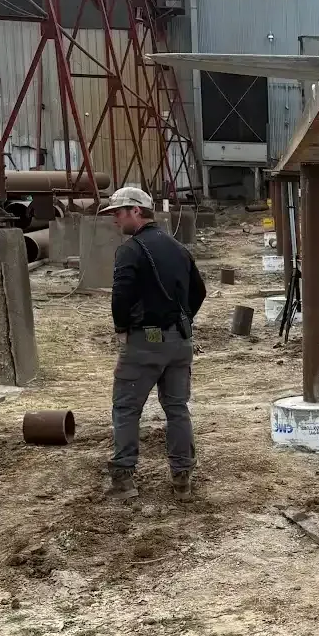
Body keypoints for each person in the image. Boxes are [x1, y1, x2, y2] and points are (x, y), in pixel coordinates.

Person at [104, 186, 207, 501]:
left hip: (145, 343)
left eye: (118, 213)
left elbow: (120, 296)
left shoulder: (130, 250)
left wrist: (122, 327)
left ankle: (123, 480)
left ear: (136, 211)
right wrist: (181, 321)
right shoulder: (178, 247)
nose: (115, 221)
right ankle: (182, 480)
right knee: (177, 409)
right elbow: (199, 291)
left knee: (126, 408)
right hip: (179, 342)